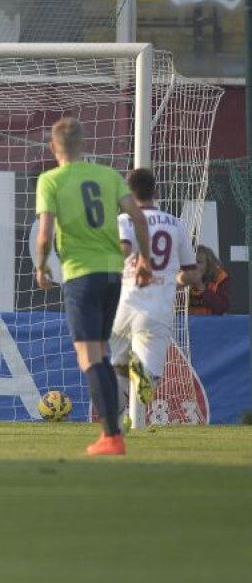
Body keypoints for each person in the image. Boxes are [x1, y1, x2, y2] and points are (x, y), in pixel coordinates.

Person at [34, 117, 152, 456]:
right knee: (100, 352)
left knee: (89, 356)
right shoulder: (108, 175)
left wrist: (41, 267)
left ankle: (111, 436)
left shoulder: (50, 180)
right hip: (113, 275)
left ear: (53, 147)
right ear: (84, 145)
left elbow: (44, 234)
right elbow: (138, 217)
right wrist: (144, 260)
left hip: (81, 275)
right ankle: (113, 432)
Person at [109, 168, 199, 430]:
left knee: (117, 367)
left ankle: (115, 423)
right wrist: (174, 279)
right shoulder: (175, 224)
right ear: (156, 191)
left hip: (125, 305)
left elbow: (123, 249)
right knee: (149, 384)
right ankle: (144, 375)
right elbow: (192, 274)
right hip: (157, 308)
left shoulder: (123, 220)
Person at [188, 245, 230, 315]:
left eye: (199, 262)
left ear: (209, 265)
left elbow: (223, 307)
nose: (194, 266)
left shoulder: (220, 278)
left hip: (212, 321)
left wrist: (201, 286)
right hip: (189, 321)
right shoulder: (181, 277)